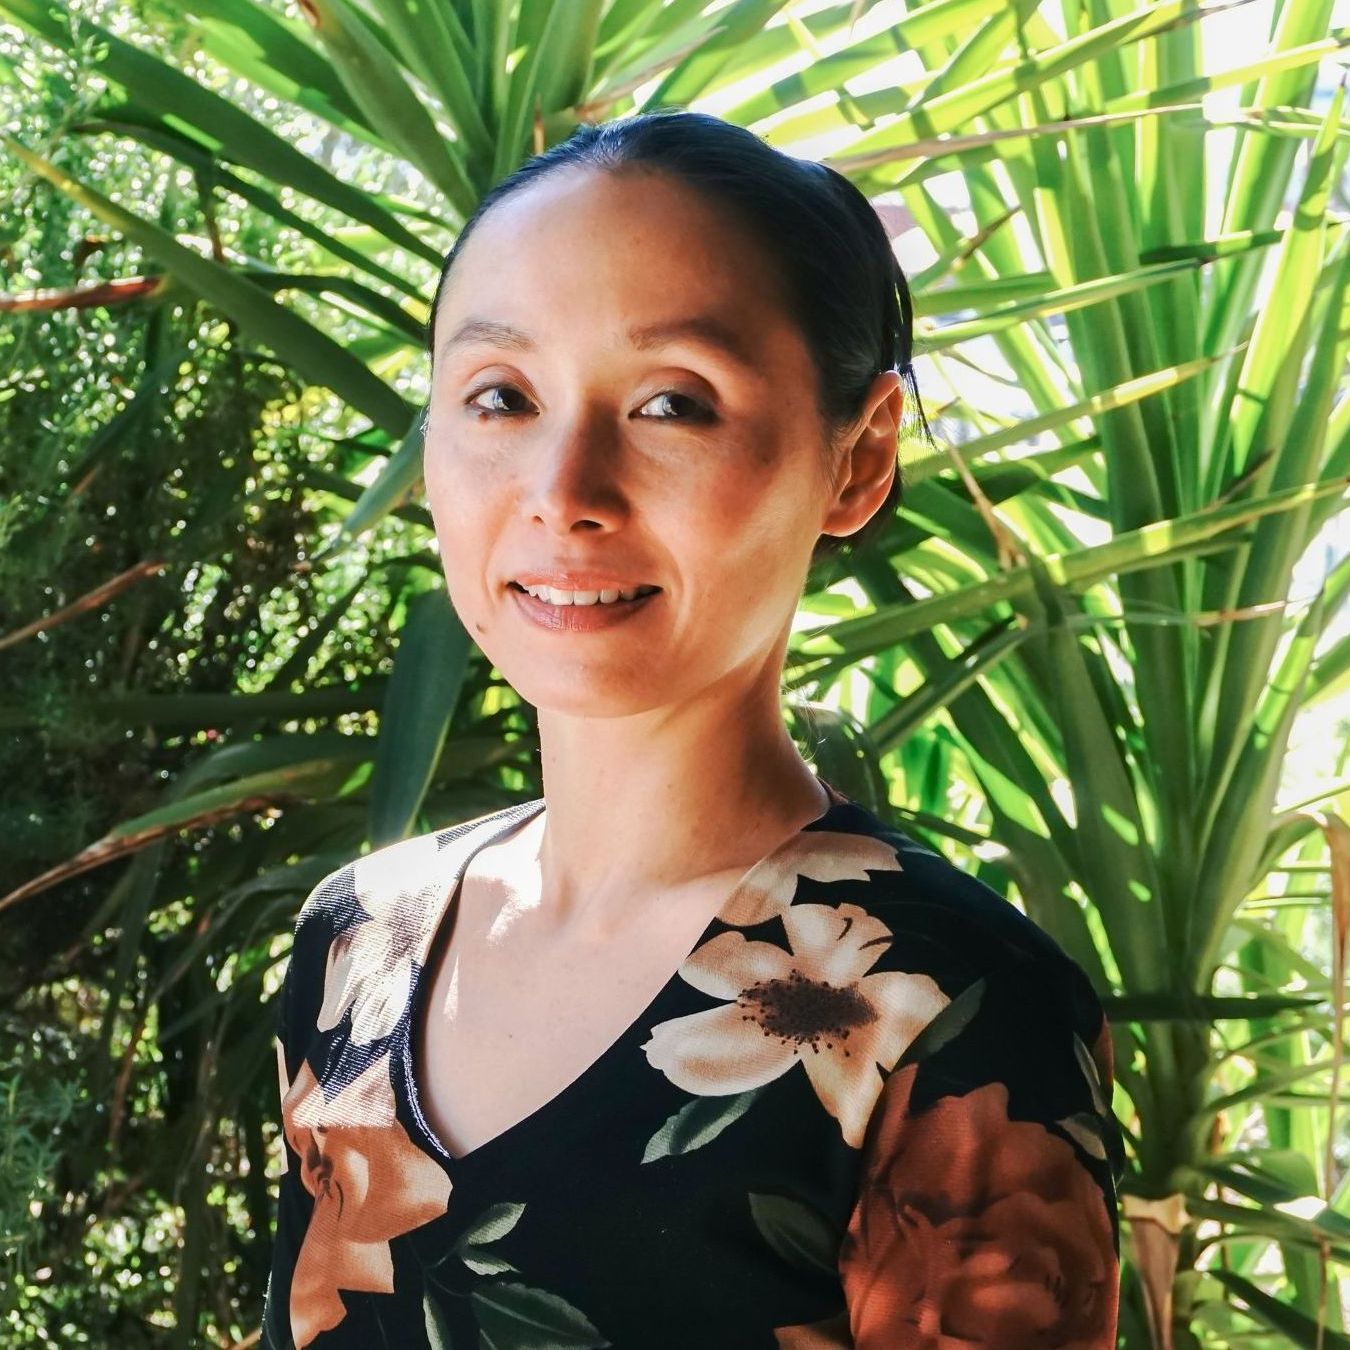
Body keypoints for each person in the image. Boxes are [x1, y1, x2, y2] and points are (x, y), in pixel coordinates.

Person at [261, 108, 1126, 1350]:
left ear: (858, 457)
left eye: (672, 404)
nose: (564, 494)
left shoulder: (949, 1010)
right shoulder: (356, 943)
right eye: (500, 396)